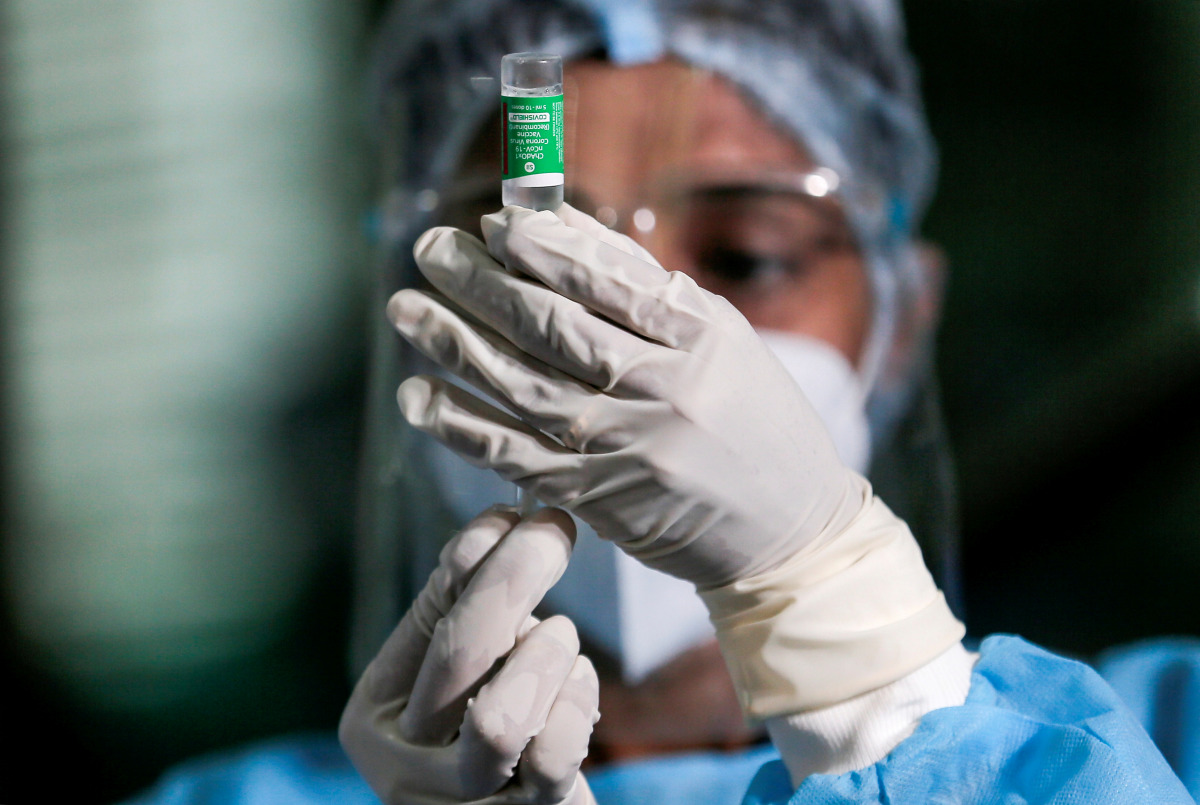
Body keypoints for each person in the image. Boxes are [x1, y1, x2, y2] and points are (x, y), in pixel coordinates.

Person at [127, 0, 1200, 803]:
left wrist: (868, 664)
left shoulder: (1170, 736)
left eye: (749, 254)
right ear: (408, 307)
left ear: (904, 315)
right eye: (526, 273)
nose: (621, 348)